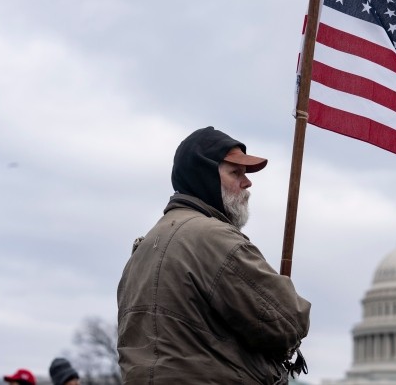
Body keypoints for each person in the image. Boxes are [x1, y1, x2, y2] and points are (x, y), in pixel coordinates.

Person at [117, 126, 311, 384]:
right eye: (235, 172)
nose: (248, 182)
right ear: (204, 176)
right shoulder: (215, 238)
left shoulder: (142, 249)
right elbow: (289, 321)